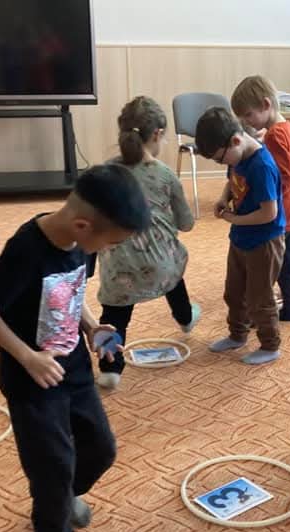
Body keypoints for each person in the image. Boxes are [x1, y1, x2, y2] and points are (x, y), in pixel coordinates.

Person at [0, 165, 150, 532]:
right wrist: (27, 357)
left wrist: (92, 326)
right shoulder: (26, 250)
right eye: (112, 243)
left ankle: (64, 496)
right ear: (83, 225)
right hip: (31, 380)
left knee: (100, 449)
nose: (111, 250)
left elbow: (71, 290)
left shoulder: (80, 240)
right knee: (52, 467)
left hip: (75, 368)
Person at [96, 96, 200, 390]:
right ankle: (185, 318)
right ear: (157, 134)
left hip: (118, 269)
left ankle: (110, 369)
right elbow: (186, 223)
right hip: (160, 266)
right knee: (174, 270)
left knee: (113, 316)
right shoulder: (166, 175)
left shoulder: (106, 172)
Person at [195, 106, 285, 365]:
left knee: (260, 297)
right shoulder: (237, 157)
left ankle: (270, 346)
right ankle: (237, 335)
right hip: (241, 238)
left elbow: (269, 213)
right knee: (233, 292)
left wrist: (235, 220)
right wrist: (223, 198)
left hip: (264, 242)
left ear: (235, 140)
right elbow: (231, 181)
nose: (223, 164)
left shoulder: (262, 166)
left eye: (220, 159)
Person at [231, 75, 290, 321]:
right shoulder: (284, 128)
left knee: (282, 266)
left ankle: (289, 310)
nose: (246, 122)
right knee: (288, 262)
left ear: (266, 105)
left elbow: (285, 177)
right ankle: (289, 305)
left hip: (284, 213)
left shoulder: (275, 135)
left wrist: (263, 198)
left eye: (248, 115)